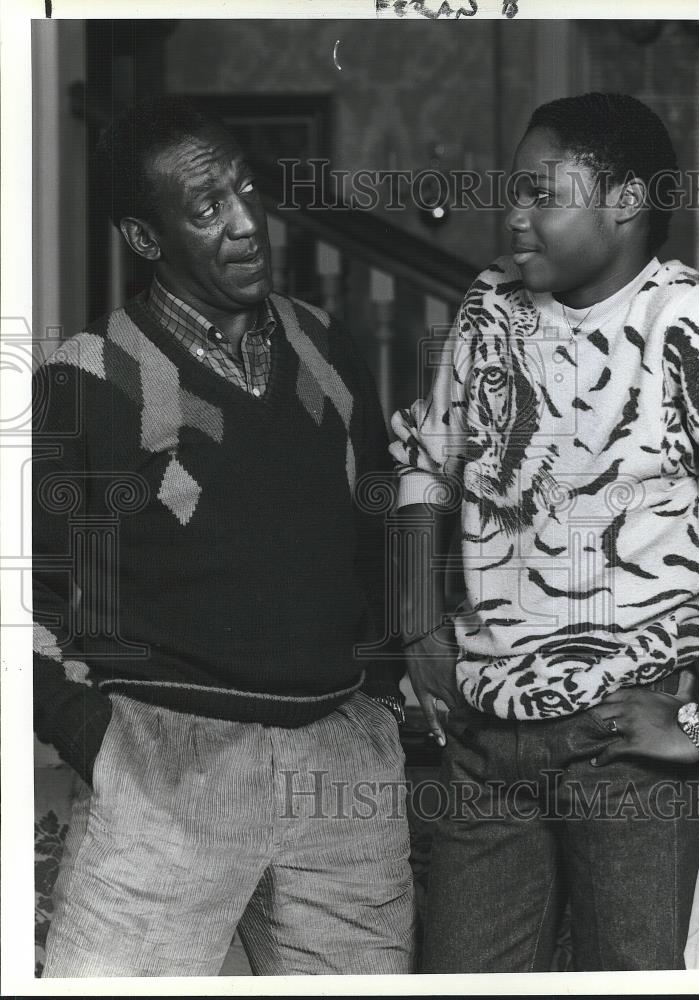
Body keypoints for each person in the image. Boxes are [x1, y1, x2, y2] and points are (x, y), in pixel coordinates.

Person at [33, 95, 415, 978]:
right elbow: (22, 596)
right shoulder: (87, 377)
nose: (247, 223)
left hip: (340, 770)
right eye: (206, 208)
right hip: (164, 767)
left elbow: (379, 532)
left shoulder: (324, 343)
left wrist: (381, 696)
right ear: (145, 238)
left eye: (245, 188)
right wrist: (92, 733)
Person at [391, 92, 699, 972]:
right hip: (482, 734)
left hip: (623, 743)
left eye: (540, 195)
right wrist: (413, 619)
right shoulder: (487, 307)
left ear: (624, 201)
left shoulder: (697, 321)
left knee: (627, 981)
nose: (512, 218)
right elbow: (425, 465)